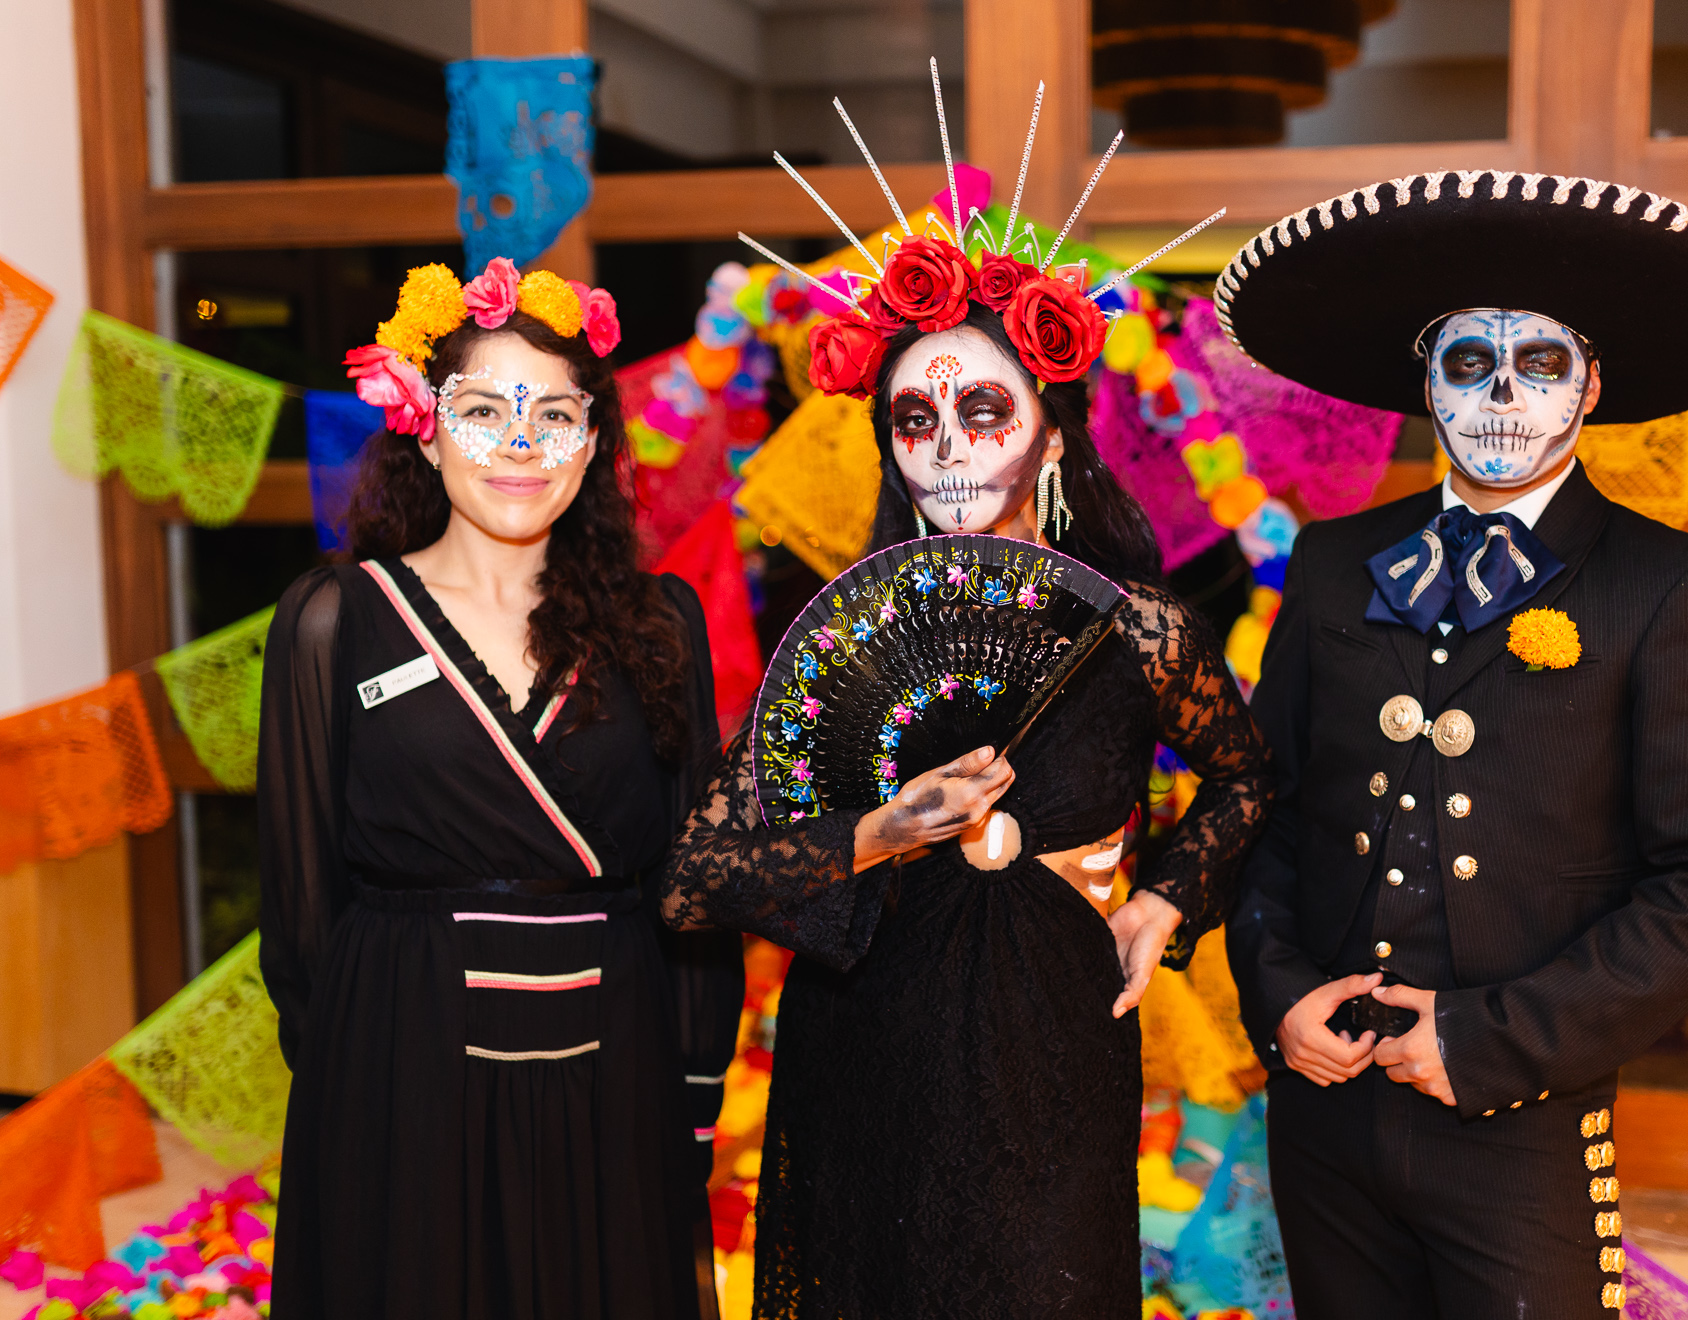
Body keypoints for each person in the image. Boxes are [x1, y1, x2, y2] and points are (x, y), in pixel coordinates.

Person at [660, 109, 1270, 1313]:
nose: (948, 450)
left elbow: (1249, 781)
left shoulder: (1137, 630)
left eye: (983, 413)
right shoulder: (848, 640)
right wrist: (885, 828)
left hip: (1057, 1039)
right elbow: (694, 875)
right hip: (869, 1040)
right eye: (916, 421)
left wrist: (1162, 902)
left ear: (1047, 428)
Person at [1217, 171, 1688, 1318]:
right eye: (1465, 362)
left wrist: (1493, 1042)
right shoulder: (1339, 561)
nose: (1500, 396)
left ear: (1591, 385)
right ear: (1423, 384)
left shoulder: (1672, 586)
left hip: (1520, 1117)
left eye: (1538, 363)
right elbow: (1274, 805)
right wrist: (1279, 991)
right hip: (1323, 1106)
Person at [259, 258, 736, 1320]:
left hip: (618, 1065)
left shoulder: (661, 624)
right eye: (483, 410)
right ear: (424, 429)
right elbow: (298, 910)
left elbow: (694, 887)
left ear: (594, 441)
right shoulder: (335, 619)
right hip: (399, 1059)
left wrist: (693, 1093)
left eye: (554, 414)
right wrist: (356, 1076)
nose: (520, 443)